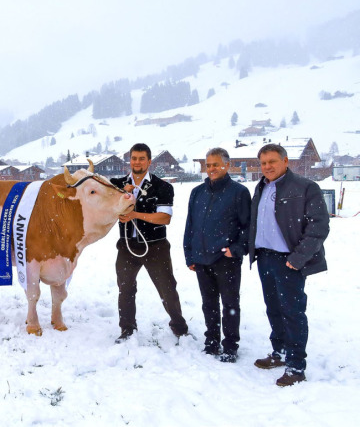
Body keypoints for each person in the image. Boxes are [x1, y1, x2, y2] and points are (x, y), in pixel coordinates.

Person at [249, 144, 329, 386]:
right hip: (265, 258)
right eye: (263, 163)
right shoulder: (261, 186)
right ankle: (280, 352)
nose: (267, 167)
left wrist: (297, 259)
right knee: (273, 308)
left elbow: (319, 227)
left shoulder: (305, 187)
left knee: (292, 313)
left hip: (289, 261)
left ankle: (296, 366)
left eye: (272, 161)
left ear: (286, 161)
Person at [110, 143, 188, 342]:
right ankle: (127, 329)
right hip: (127, 245)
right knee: (125, 288)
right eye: (134, 158)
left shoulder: (163, 187)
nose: (137, 162)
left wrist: (135, 214)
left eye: (141, 158)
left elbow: (164, 218)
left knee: (167, 288)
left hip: (156, 246)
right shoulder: (115, 185)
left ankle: (179, 328)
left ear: (149, 161)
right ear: (130, 160)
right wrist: (120, 195)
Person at [183, 148, 251, 363]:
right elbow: (190, 226)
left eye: (215, 164)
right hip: (201, 258)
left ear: (227, 165)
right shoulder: (197, 192)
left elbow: (248, 227)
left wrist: (237, 249)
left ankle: (230, 346)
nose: (211, 169)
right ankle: (211, 341)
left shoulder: (238, 192)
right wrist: (189, 254)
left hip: (225, 259)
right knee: (208, 303)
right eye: (208, 165)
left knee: (230, 304)